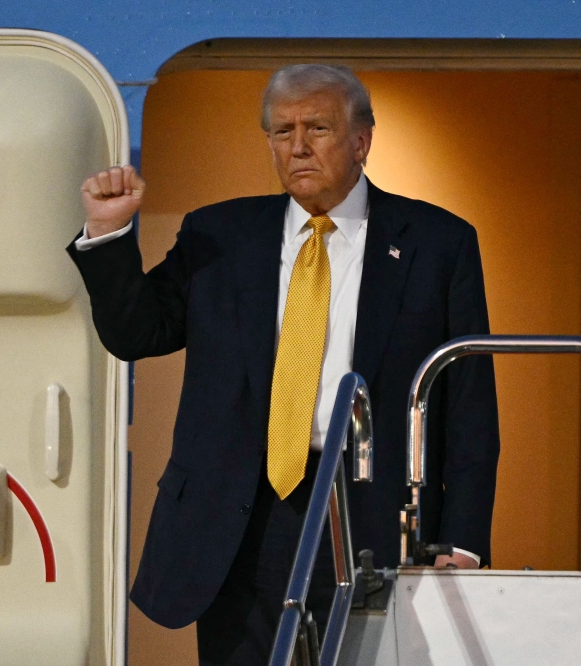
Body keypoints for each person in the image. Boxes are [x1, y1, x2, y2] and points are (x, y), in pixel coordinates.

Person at [68, 64, 499, 665]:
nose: (297, 146)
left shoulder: (438, 242)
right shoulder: (218, 233)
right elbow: (138, 333)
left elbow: (470, 407)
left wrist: (464, 539)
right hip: (240, 516)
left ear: (361, 141)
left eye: (317, 128)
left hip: (367, 508)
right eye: (281, 131)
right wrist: (108, 236)